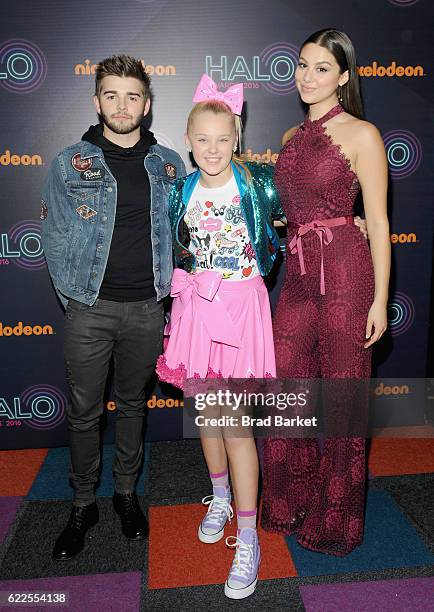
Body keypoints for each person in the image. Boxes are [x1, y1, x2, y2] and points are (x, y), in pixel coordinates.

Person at [40, 55, 185, 561]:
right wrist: (76, 300)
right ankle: (84, 502)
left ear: (146, 103)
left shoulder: (169, 164)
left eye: (132, 96)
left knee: (131, 406)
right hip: (89, 310)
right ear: (96, 99)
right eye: (110, 95)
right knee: (83, 414)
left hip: (147, 308)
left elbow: (185, 229)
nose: (121, 106)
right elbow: (54, 236)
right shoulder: (69, 163)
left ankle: (125, 494)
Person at [261, 29, 390, 556]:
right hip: (297, 272)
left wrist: (380, 299)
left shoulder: (362, 133)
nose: (308, 77)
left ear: (342, 76)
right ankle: (292, 501)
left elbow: (378, 222)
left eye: (321, 68)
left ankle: (336, 518)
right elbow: (289, 212)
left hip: (344, 273)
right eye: (302, 65)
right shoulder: (292, 138)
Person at [156, 74, 283, 600]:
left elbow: (287, 230)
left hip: (239, 310)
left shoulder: (256, 185)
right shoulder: (178, 190)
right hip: (194, 311)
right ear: (188, 140)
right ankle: (219, 496)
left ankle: (248, 535)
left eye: (223, 139)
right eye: (202, 139)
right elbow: (171, 249)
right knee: (206, 415)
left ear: (238, 139)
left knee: (235, 428)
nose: (213, 149)